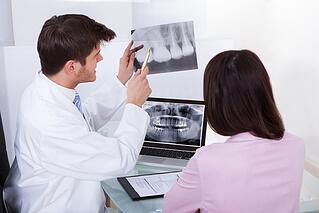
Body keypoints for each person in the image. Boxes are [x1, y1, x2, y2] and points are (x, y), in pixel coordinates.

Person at [3, 14, 151, 212]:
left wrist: (120, 81)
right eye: (95, 55)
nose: (101, 58)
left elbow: (83, 118)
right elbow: (121, 159)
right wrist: (134, 106)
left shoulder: (45, 90)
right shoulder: (48, 121)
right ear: (71, 66)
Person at [163, 50, 304, 213]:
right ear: (264, 90)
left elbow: (171, 209)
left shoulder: (207, 160)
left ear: (216, 100)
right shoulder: (296, 147)